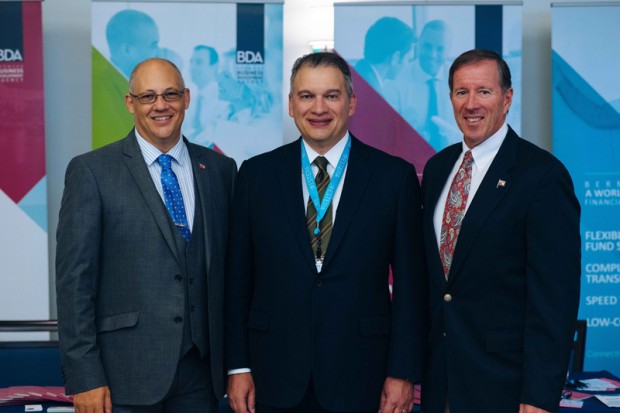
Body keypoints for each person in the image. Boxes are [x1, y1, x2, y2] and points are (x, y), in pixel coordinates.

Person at [225, 52, 427, 413]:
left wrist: (402, 371)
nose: (319, 108)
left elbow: (411, 287)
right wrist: (238, 366)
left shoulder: (394, 178)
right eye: (307, 96)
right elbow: (238, 280)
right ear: (291, 104)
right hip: (273, 375)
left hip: (363, 375)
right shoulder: (255, 176)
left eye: (331, 96)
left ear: (351, 103)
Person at [56, 58, 237, 413]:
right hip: (123, 378)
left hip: (201, 378)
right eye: (148, 96)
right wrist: (85, 375)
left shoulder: (220, 169)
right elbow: (75, 283)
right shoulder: (92, 171)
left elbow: (232, 274)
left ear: (186, 98)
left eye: (170, 94)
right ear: (130, 103)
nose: (160, 105)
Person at [421, 49, 580, 413]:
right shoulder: (437, 168)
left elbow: (554, 300)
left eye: (484, 91)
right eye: (462, 92)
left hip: (504, 386)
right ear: (451, 98)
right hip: (439, 382)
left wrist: (539, 396)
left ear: (507, 98)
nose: (471, 104)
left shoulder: (542, 175)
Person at [389, 20, 455, 150]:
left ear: (449, 50)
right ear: (418, 44)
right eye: (427, 46)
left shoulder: (462, 79)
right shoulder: (396, 81)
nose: (432, 55)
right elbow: (389, 135)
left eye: (440, 49)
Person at [354, 17, 414, 97]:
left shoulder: (360, 74)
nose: (408, 65)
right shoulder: (370, 91)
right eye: (409, 59)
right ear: (395, 58)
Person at [186, 45, 224, 142]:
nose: (192, 67)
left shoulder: (222, 99)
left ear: (215, 67)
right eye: (191, 62)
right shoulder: (191, 99)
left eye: (199, 62)